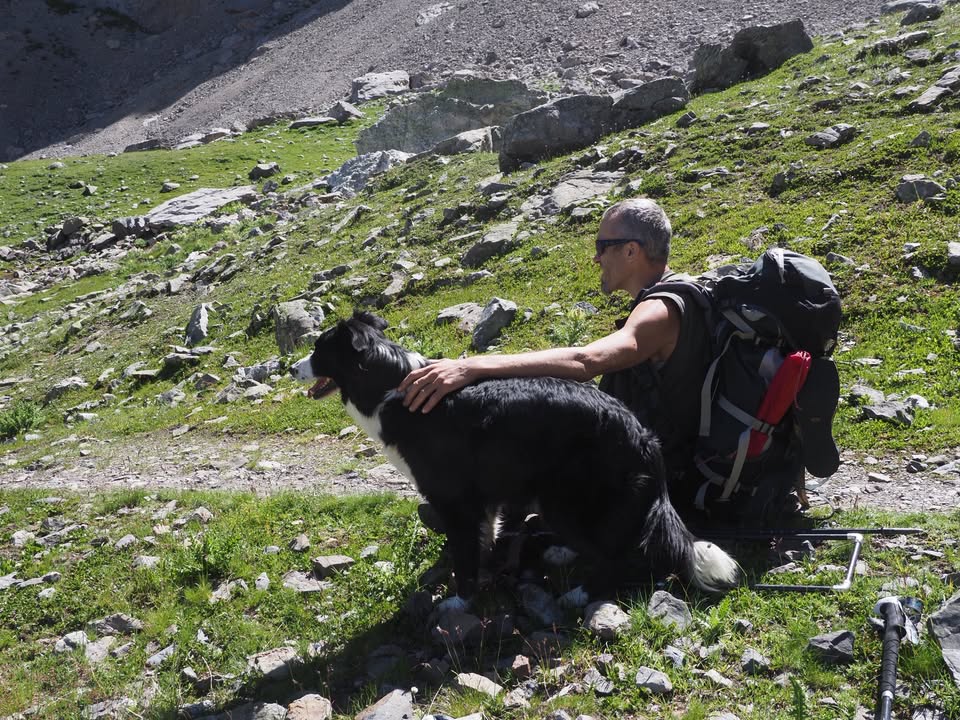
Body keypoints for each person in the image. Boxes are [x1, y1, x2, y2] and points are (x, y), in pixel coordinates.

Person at [398, 197, 714, 509]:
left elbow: (586, 362)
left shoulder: (659, 310)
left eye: (602, 246)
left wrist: (474, 367)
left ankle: (487, 506)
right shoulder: (679, 292)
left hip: (658, 474)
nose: (596, 258)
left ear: (631, 251)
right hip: (655, 457)